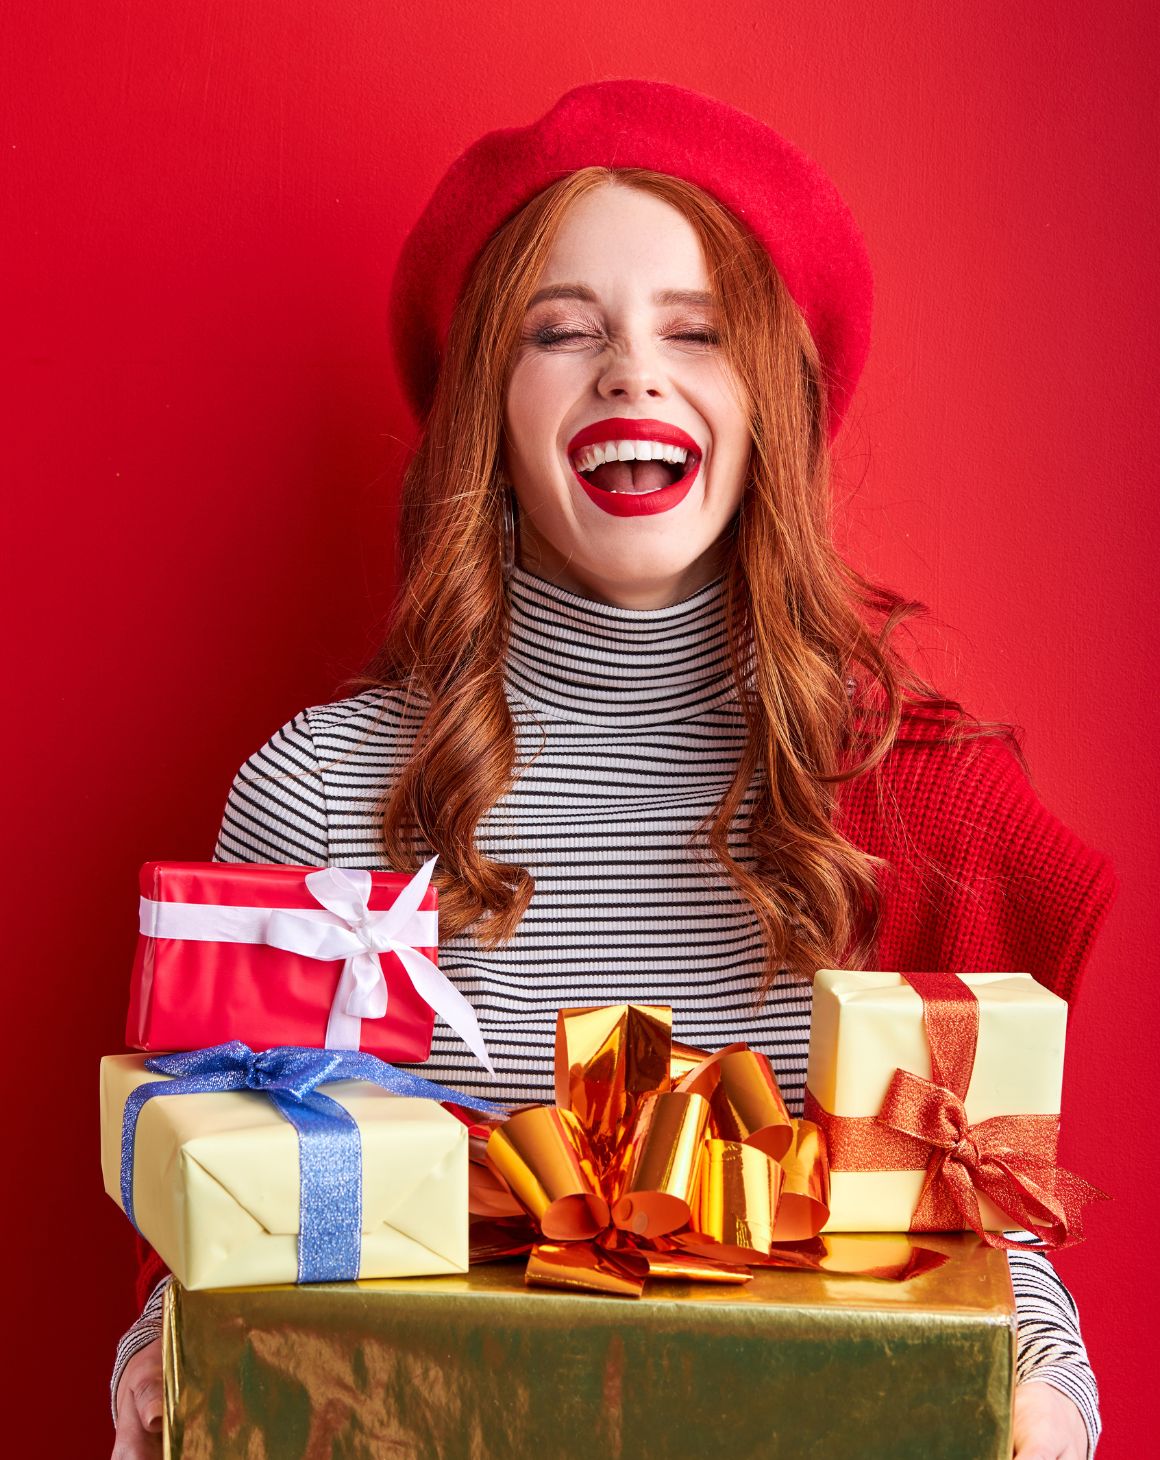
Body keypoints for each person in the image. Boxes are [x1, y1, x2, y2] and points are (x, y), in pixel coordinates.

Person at [110, 80, 1113, 1460]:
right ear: (487, 411)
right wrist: (155, 1373)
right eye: (561, 329)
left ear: (775, 402)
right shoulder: (326, 794)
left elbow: (986, 1225)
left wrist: (1048, 1401)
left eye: (696, 332)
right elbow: (219, 1224)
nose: (630, 370)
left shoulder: (912, 799)